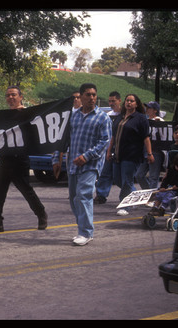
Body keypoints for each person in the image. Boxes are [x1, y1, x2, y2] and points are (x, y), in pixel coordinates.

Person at [0, 86, 48, 233]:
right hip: (5, 158)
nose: (10, 98)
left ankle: (41, 215)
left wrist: (26, 114)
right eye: (8, 95)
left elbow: (37, 129)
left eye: (13, 95)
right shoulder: (3, 116)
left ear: (20, 97)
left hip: (20, 159)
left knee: (26, 191)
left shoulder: (27, 114)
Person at [65, 83, 111, 246]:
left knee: (83, 195)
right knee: (73, 198)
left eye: (94, 95)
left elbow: (104, 141)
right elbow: (65, 139)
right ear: (81, 97)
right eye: (87, 95)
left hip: (91, 164)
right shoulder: (74, 116)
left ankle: (85, 232)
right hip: (73, 163)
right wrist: (57, 158)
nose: (91, 98)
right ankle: (82, 228)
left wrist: (86, 156)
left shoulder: (102, 117)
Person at [107, 94, 153, 216]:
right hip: (117, 154)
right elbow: (113, 136)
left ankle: (125, 206)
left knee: (127, 181)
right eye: (127, 100)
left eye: (132, 101)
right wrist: (108, 151)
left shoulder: (141, 118)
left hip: (132, 155)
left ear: (136, 104)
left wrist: (149, 153)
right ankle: (135, 196)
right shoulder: (119, 117)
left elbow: (146, 138)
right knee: (117, 179)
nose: (129, 103)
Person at [94, 91, 122, 204]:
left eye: (113, 101)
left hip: (120, 148)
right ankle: (101, 194)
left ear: (119, 101)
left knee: (118, 176)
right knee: (105, 172)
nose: (111, 103)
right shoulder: (107, 115)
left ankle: (129, 194)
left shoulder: (124, 115)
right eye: (109, 101)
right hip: (108, 147)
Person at [135, 101, 165, 190]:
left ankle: (152, 198)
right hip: (145, 151)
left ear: (155, 110)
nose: (147, 109)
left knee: (153, 176)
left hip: (156, 151)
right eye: (146, 107)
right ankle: (149, 192)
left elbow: (163, 136)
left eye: (149, 108)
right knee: (139, 175)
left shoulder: (160, 121)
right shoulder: (145, 120)